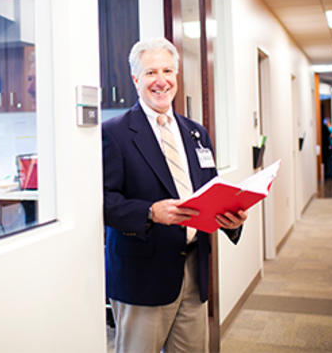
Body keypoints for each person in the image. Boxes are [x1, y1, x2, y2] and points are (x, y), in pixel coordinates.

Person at [102, 37, 246, 353]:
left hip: (195, 271)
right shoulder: (114, 133)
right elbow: (102, 201)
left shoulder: (196, 133)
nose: (161, 80)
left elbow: (212, 191)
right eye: (151, 72)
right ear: (135, 79)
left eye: (168, 70)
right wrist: (150, 213)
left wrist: (232, 216)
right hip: (142, 275)